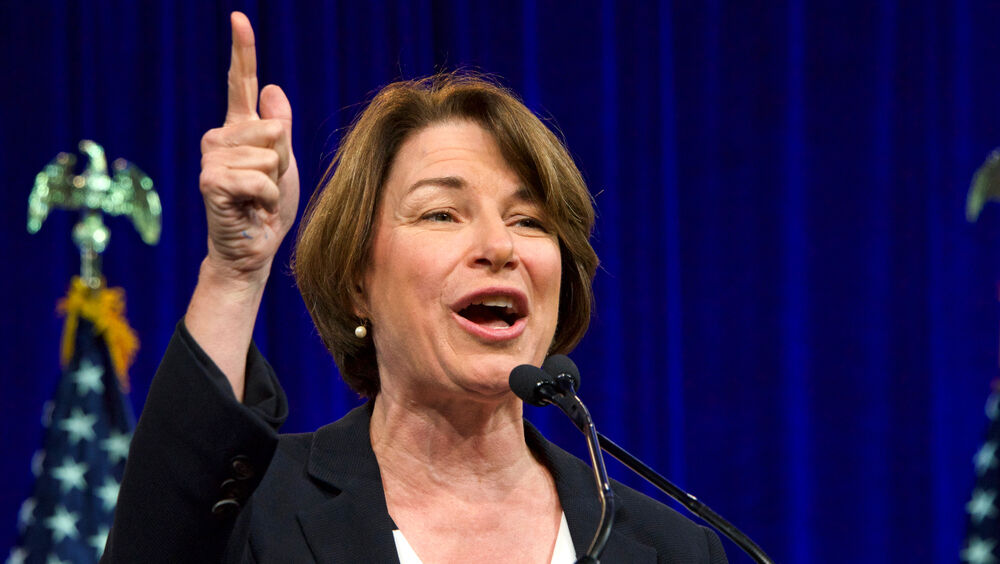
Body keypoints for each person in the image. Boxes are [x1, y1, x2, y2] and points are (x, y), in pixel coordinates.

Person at [104, 12, 728, 564]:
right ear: (357, 282)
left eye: (529, 221)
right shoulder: (256, 517)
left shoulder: (671, 548)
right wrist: (236, 269)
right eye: (441, 214)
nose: (500, 247)